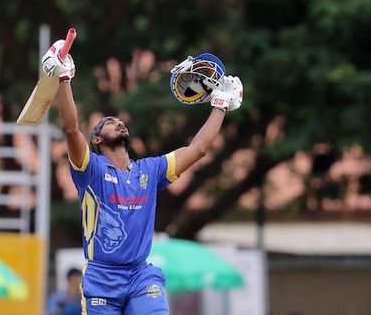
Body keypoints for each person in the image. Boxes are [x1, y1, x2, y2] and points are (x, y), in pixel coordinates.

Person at [42, 39, 243, 315]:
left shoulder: (149, 170)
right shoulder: (91, 168)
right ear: (97, 139)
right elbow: (70, 129)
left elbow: (198, 149)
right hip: (101, 278)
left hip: (140, 275)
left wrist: (220, 105)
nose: (119, 122)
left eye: (120, 120)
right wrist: (64, 79)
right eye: (109, 122)